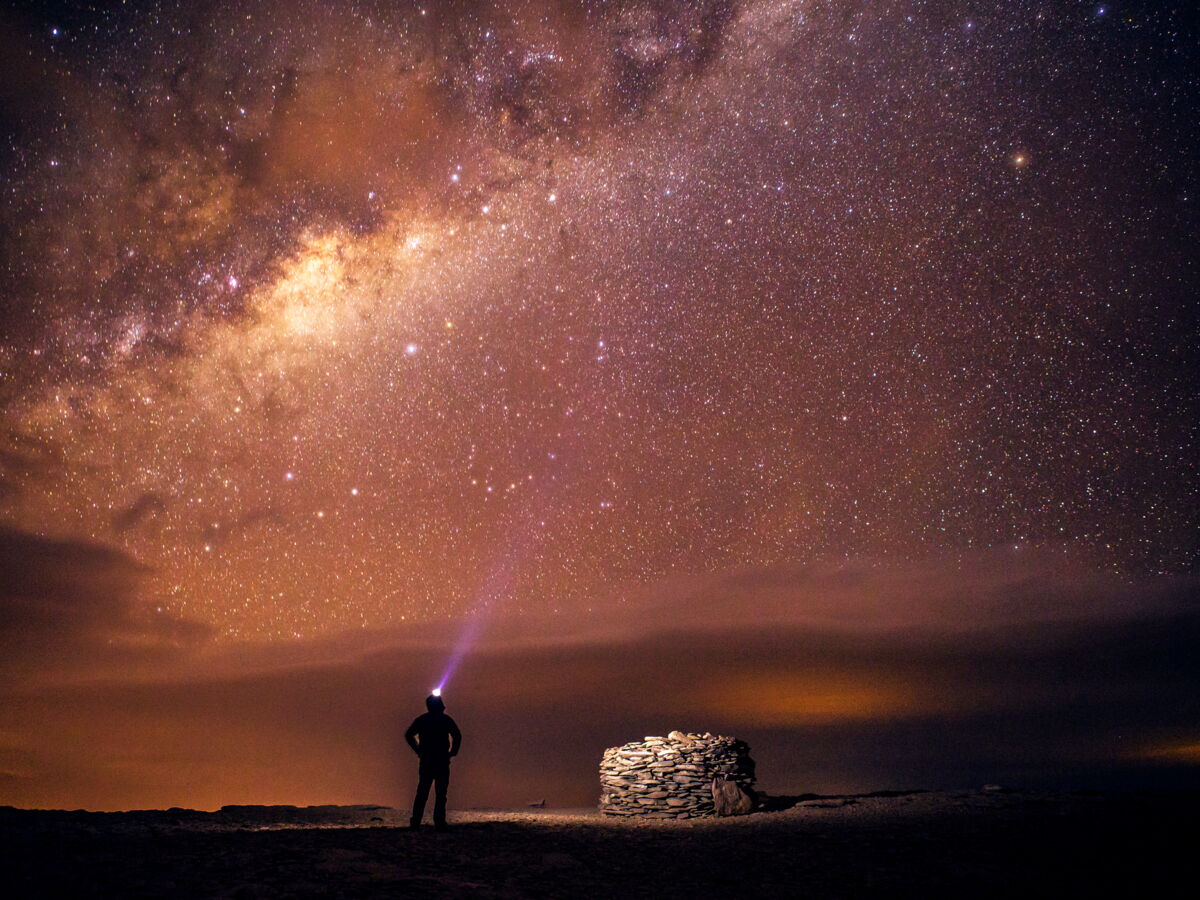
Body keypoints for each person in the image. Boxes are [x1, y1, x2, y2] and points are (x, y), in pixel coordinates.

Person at [404, 693, 462, 829]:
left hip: (428, 760)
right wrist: (453, 752)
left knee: (424, 791)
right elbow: (457, 735)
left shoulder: (423, 720)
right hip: (439, 760)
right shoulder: (445, 720)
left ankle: (417, 821)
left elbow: (409, 735)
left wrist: (418, 750)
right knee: (439, 792)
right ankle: (438, 821)